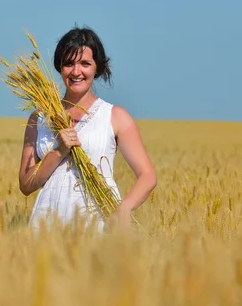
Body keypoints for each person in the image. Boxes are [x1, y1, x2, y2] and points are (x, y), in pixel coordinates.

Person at [18, 26, 157, 233]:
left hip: (98, 226)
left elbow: (147, 176)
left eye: (85, 64)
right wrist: (58, 151)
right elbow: (26, 185)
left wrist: (124, 209)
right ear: (59, 67)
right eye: (68, 64)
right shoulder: (39, 118)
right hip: (46, 228)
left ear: (97, 68)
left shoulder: (115, 117)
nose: (76, 72)